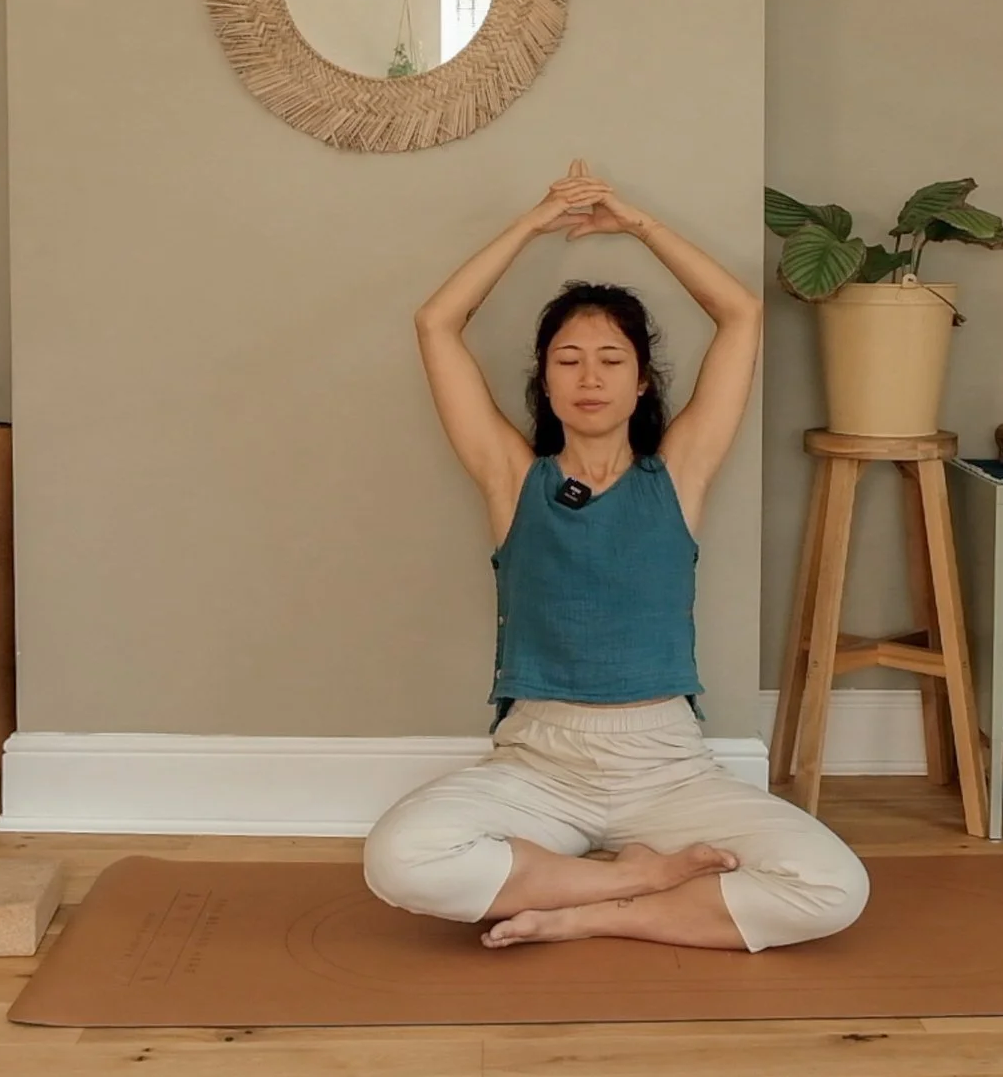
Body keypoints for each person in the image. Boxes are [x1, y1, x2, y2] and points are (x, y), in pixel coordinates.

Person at [362, 161, 871, 952]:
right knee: (398, 861)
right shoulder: (512, 480)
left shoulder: (680, 476)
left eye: (610, 360)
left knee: (836, 888)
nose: (589, 377)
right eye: (568, 360)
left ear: (641, 384)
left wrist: (637, 224)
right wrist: (533, 223)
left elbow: (738, 314)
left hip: (666, 767)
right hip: (539, 765)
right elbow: (437, 321)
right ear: (545, 383)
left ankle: (587, 914)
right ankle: (635, 878)